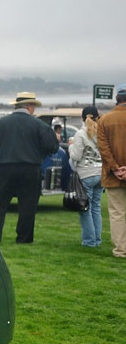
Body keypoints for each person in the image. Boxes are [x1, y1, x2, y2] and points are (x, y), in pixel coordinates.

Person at [0, 92, 60, 244]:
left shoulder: (0, 123)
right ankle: (24, 237)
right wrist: (40, 154)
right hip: (30, 169)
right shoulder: (39, 125)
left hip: (3, 168)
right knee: (28, 204)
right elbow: (52, 147)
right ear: (29, 106)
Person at [97, 83, 126, 258]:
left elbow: (104, 149)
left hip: (112, 175)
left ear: (117, 99)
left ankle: (120, 250)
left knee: (117, 214)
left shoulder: (104, 120)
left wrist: (116, 169)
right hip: (117, 172)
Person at [69, 105, 104, 247]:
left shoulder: (80, 134)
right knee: (96, 207)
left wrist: (71, 146)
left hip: (86, 174)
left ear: (83, 118)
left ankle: (89, 241)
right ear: (97, 117)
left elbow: (76, 156)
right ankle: (97, 239)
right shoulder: (102, 132)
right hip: (100, 173)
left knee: (85, 209)